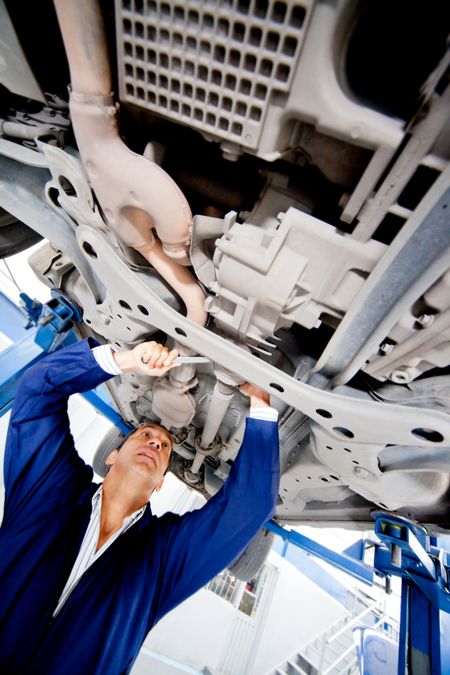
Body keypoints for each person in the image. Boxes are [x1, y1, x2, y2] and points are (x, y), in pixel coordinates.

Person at [0, 337, 279, 674]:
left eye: (163, 446)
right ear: (113, 454)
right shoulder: (48, 492)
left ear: (161, 481)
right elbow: (36, 392)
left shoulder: (163, 557)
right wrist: (125, 360)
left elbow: (244, 510)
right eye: (145, 434)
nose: (156, 441)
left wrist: (259, 404)